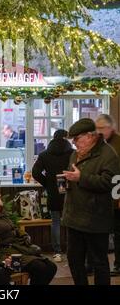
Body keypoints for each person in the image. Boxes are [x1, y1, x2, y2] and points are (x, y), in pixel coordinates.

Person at [62, 118, 120, 285]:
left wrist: (81, 178)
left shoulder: (108, 155)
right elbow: (74, 176)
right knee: (74, 260)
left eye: (77, 138)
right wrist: (67, 181)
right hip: (74, 216)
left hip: (96, 218)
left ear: (90, 136)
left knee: (99, 262)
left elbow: (109, 182)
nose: (74, 143)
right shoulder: (75, 153)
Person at [0, 181, 57, 285]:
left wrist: (24, 235)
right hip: (3, 256)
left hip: (16, 249)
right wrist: (0, 259)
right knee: (40, 268)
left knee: (50, 267)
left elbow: (14, 228)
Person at [32, 129, 73, 262]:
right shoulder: (72, 153)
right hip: (71, 190)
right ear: (66, 138)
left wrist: (48, 183)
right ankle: (72, 250)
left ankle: (57, 252)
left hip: (53, 192)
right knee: (71, 223)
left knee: (55, 222)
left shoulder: (44, 154)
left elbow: (35, 173)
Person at [95, 114, 120, 276]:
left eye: (102, 128)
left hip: (117, 196)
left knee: (118, 233)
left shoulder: (117, 145)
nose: (99, 131)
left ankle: (118, 264)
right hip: (103, 197)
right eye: (96, 128)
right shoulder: (100, 145)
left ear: (111, 128)